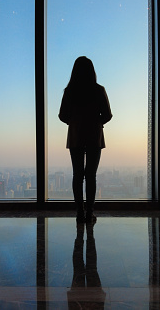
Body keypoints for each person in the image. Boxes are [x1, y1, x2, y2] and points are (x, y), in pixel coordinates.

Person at [59, 56, 112, 223]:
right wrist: (97, 122)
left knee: (77, 175)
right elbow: (108, 115)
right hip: (94, 136)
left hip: (75, 136)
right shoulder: (99, 90)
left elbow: (62, 116)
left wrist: (74, 122)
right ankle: (90, 213)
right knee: (91, 176)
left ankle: (79, 213)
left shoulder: (69, 91)